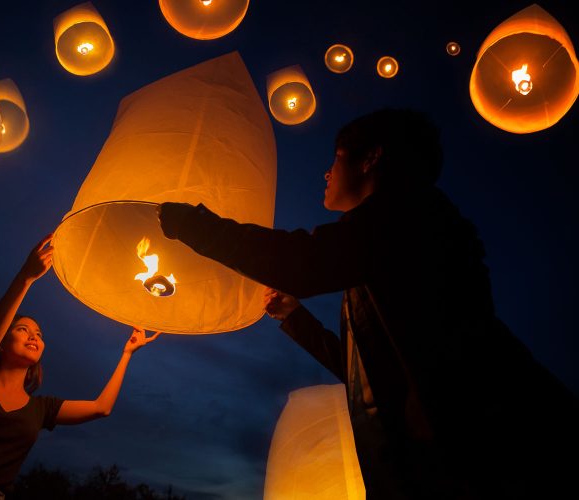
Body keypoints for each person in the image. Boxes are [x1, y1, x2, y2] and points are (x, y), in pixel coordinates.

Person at [158, 109, 578, 499]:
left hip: (489, 449)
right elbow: (363, 373)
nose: (326, 172)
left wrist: (192, 225)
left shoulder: (409, 216)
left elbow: (302, 261)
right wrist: (295, 317)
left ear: (371, 158)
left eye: (336, 157)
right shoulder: (383, 246)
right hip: (439, 458)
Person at [0, 234, 161, 499]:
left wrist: (127, 353)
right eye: (23, 329)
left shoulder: (41, 408)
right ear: (2, 343)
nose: (33, 336)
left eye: (38, 334)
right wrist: (25, 278)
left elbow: (101, 407)